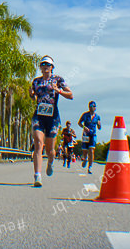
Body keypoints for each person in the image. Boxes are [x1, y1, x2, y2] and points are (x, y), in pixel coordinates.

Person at [29, 55, 73, 187]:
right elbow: (34, 96)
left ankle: (50, 161)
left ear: (52, 67)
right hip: (39, 116)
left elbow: (70, 95)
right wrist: (32, 94)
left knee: (50, 150)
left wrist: (58, 90)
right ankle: (37, 176)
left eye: (48, 65)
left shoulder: (58, 80)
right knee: (38, 142)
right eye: (43, 64)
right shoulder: (36, 81)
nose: (45, 67)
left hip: (53, 117)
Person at [78, 101, 102, 174]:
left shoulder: (97, 117)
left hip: (93, 134)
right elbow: (79, 123)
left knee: (91, 150)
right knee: (85, 151)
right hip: (86, 134)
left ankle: (90, 166)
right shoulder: (85, 115)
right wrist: (84, 127)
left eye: (93, 106)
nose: (92, 107)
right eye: (90, 106)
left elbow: (99, 128)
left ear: (95, 107)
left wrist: (99, 124)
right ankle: (85, 159)